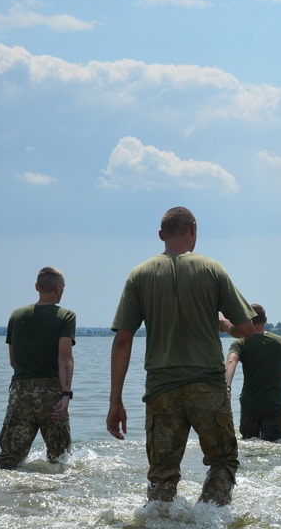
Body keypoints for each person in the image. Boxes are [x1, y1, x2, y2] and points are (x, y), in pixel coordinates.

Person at [106, 207, 256, 506]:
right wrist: (224, 325)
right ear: (194, 229)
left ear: (161, 235)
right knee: (223, 459)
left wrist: (115, 401)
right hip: (207, 388)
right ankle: (209, 518)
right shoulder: (212, 269)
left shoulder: (139, 274)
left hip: (161, 390)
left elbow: (123, 339)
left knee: (162, 474)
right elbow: (246, 329)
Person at [0, 267, 76, 469]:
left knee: (8, 461)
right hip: (51, 395)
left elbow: (14, 361)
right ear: (58, 288)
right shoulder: (66, 316)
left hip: (20, 394)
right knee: (60, 461)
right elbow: (64, 356)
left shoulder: (16, 316)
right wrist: (66, 393)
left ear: (37, 287)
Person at [225, 304, 281, 441]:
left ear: (246, 320)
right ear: (265, 320)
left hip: (250, 404)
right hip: (274, 404)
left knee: (249, 444)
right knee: (275, 444)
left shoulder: (241, 343)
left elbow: (231, 361)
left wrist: (227, 385)